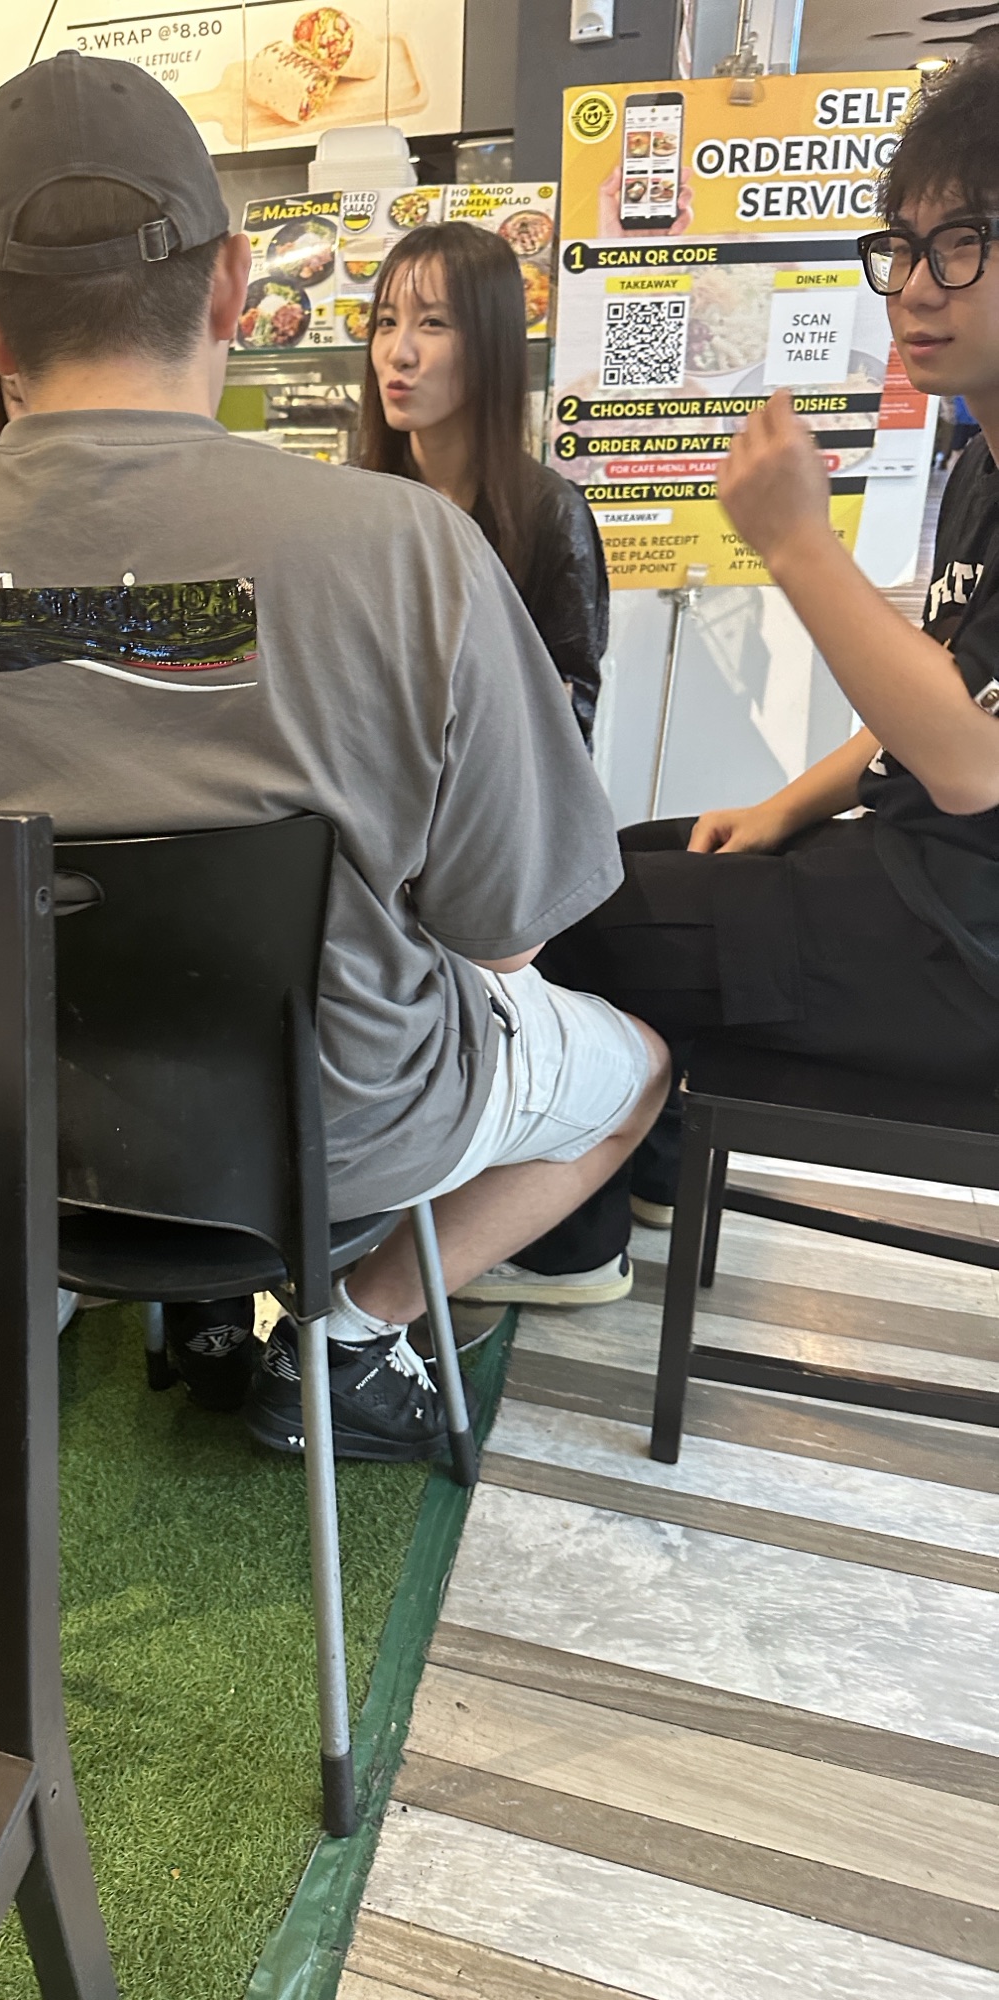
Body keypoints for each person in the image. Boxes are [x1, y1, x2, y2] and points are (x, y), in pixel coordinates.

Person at [0, 51, 669, 1463]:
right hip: (339, 1132)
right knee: (636, 1070)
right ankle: (353, 1331)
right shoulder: (408, 552)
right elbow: (508, 928)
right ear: (230, 286)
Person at [502, 46, 999, 1286]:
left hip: (961, 948)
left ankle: (569, 1244)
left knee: (548, 920)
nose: (917, 287)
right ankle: (656, 1172)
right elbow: (945, 683)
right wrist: (782, 806)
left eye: (963, 244)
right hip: (911, 882)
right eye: (902, 247)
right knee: (601, 856)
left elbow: (971, 762)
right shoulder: (980, 467)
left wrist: (793, 541)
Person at [360, 222, 608, 743]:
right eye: (386, 322)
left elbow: (566, 721)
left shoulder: (551, 515)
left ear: (491, 343)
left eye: (433, 323)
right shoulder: (350, 500)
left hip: (491, 786)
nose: (399, 353)